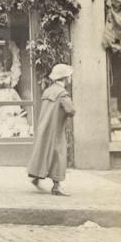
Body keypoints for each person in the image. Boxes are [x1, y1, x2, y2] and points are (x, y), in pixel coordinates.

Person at [26, 63, 76, 196]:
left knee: (43, 152)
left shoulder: (48, 91)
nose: (70, 79)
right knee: (58, 156)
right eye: (69, 76)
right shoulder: (62, 93)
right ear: (65, 78)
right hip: (56, 131)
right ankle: (57, 187)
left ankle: (37, 177)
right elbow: (70, 110)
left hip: (44, 128)